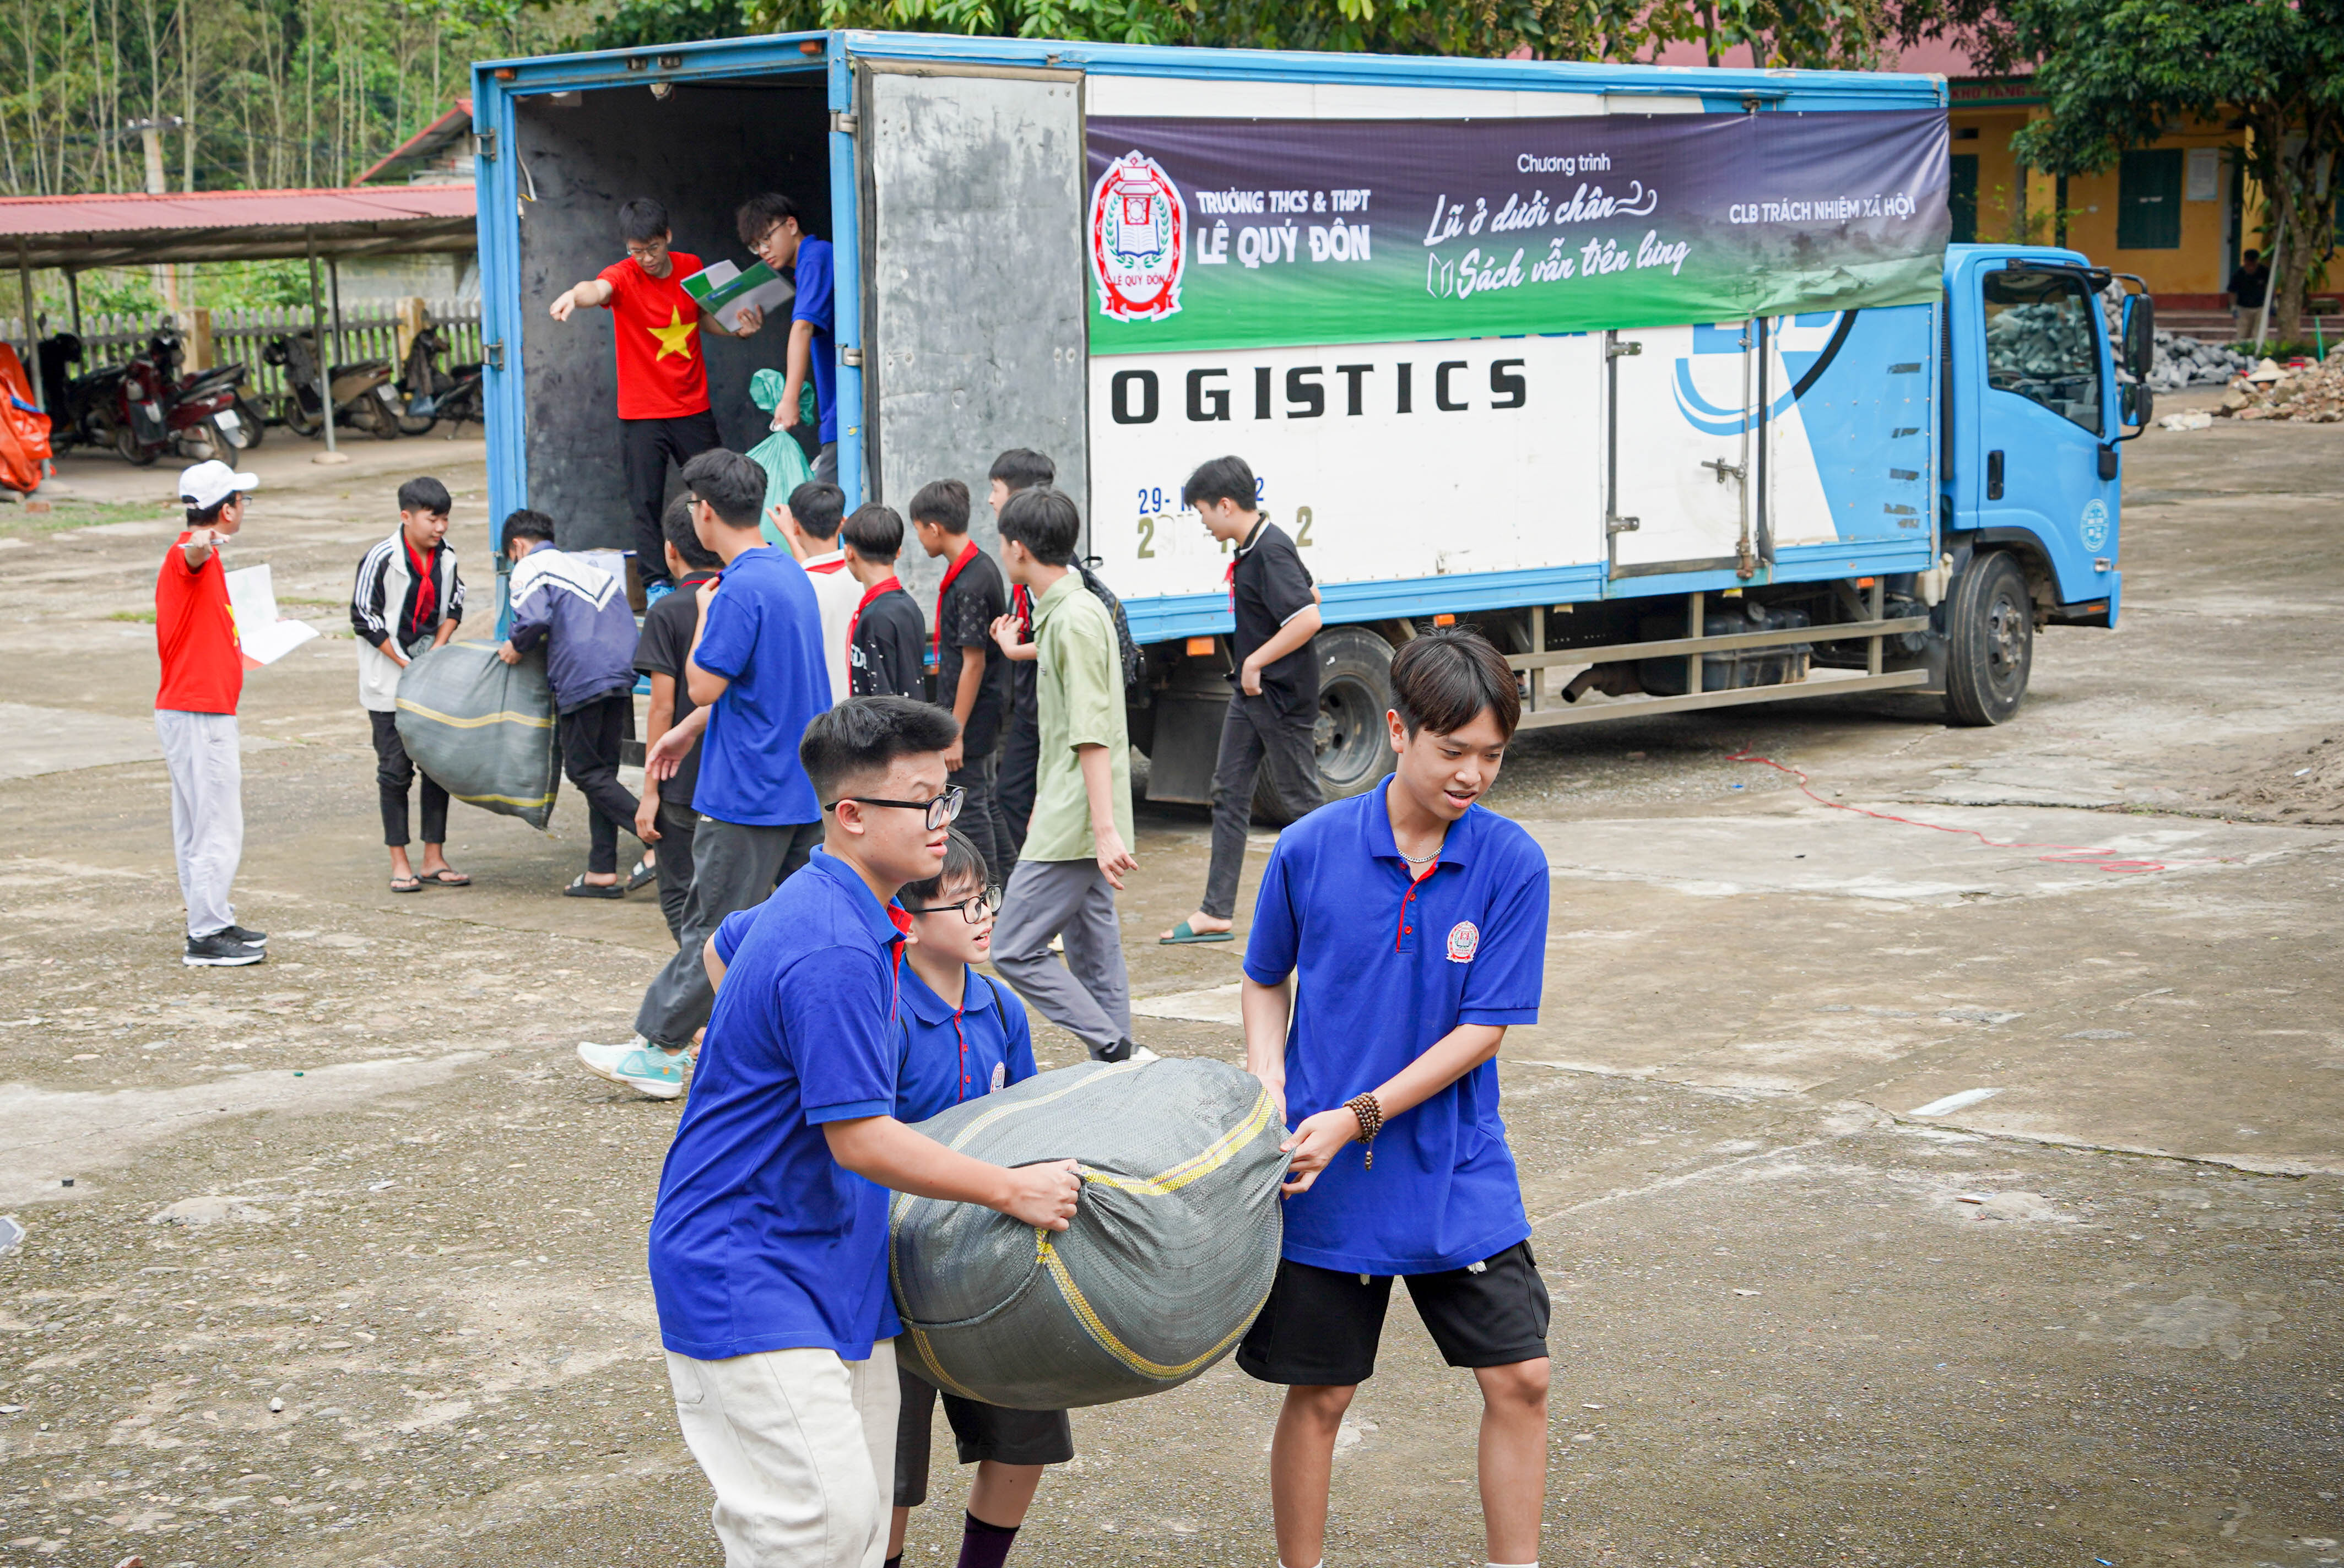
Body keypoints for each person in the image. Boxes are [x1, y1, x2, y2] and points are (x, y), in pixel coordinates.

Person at [647, 696, 1082, 1568]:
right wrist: (1011, 1186)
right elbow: (860, 1138)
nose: (943, 822)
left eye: (946, 796)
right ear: (850, 816)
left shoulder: (845, 907)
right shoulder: (833, 943)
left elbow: (727, 954)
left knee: (852, 1523)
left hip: (835, 1261)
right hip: (749, 1264)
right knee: (818, 1524)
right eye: (924, 802)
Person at [1235, 628, 1552, 1568]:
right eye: (1453, 750)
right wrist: (1269, 1080)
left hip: (1453, 1164)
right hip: (1323, 1174)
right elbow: (1264, 976)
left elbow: (1480, 1031)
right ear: (1397, 730)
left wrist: (1359, 1114)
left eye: (1492, 755)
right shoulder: (1310, 848)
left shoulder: (1510, 863)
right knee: (1323, 1393)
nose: (1473, 775)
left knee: (1522, 1376)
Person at [577, 447, 831, 1099]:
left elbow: (704, 682)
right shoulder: (788, 573)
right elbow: (770, 684)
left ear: (705, 511)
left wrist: (705, 620)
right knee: (792, 929)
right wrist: (691, 730)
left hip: (747, 793)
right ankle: (795, 1049)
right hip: (798, 784)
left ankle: (659, 1048)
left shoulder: (736, 589)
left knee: (714, 929)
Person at [986, 487, 1143, 1065]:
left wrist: (1101, 829)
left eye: (1002, 541)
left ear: (1019, 548)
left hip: (1075, 816)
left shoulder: (1072, 619)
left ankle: (1111, 1044)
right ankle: (1120, 1070)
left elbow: (1091, 730)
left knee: (1012, 946)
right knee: (1093, 948)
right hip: (1072, 806)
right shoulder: (1068, 612)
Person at [545, 196, 749, 599]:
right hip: (642, 413)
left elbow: (703, 318)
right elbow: (596, 288)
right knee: (645, 500)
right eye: (636, 251)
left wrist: (737, 329)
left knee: (713, 493)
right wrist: (574, 294)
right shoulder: (622, 275)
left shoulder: (691, 267)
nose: (645, 259)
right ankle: (656, 583)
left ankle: (724, 571)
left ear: (667, 237)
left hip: (693, 406)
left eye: (652, 249)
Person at [1162, 455, 1323, 945]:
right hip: (1250, 694)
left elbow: (1308, 617)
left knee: (1302, 805)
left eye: (1204, 513)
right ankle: (1216, 910)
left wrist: (1255, 662)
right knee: (1228, 792)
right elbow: (1311, 591)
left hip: (1277, 694)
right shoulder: (1257, 547)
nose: (1204, 523)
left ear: (1226, 505)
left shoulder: (1269, 550)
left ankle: (1343, 900)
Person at [498, 509, 643, 898]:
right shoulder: (591, 570)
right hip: (619, 674)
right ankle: (601, 869)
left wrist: (515, 645)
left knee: (583, 771)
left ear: (517, 546)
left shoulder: (530, 568)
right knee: (603, 774)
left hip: (581, 676)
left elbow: (533, 619)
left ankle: (658, 838)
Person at [156, 460, 267, 967]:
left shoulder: (207, 561)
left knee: (201, 823)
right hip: (198, 712)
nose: (245, 507)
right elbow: (192, 554)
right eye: (241, 500)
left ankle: (213, 917)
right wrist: (202, 542)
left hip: (197, 708)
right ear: (226, 509)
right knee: (217, 823)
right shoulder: (191, 554)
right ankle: (205, 933)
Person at [351, 475, 469, 894]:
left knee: (436, 767)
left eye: (445, 519)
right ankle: (399, 860)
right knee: (394, 771)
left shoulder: (447, 557)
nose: (440, 528)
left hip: (430, 677)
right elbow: (364, 616)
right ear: (406, 517)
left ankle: (433, 857)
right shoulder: (382, 558)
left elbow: (455, 603)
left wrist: (436, 650)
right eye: (432, 519)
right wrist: (403, 661)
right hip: (388, 680)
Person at [632, 495, 724, 939]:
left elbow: (662, 707)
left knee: (679, 894)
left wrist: (649, 790)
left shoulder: (666, 612)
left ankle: (699, 981)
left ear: (671, 550)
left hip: (682, 780)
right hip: (734, 778)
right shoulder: (739, 598)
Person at [911, 478, 1012, 881]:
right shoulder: (978, 565)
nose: (918, 538)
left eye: (918, 529)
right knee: (986, 801)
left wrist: (955, 731)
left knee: (970, 810)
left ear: (934, 528)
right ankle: (1013, 885)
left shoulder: (969, 583)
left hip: (973, 718)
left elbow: (973, 663)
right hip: (981, 712)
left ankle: (989, 895)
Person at [736, 191, 840, 485]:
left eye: (766, 239)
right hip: (838, 412)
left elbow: (803, 327)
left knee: (821, 516)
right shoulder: (811, 262)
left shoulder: (815, 256)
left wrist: (789, 399)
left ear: (791, 225)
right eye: (756, 246)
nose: (763, 250)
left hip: (844, 415)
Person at [984, 449, 1054, 861]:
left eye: (996, 490)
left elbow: (1062, 635)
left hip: (1044, 708)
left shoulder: (1045, 557)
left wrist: (1014, 648)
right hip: (1031, 707)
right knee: (1012, 797)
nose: (991, 500)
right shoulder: (1020, 554)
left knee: (1014, 798)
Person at [772, 479, 857, 703]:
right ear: (842, 524)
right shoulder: (864, 577)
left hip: (818, 714)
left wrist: (790, 535)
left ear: (797, 526)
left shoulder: (792, 588)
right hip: (865, 711)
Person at [841, 503, 926, 700]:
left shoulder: (875, 617)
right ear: (898, 552)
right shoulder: (908, 606)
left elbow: (882, 705)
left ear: (849, 552)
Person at [2229, 247, 2270, 342]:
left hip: (2260, 308)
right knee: (2242, 335)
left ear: (2257, 261)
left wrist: (2274, 303)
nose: (2251, 266)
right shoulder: (2238, 274)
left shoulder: (2264, 272)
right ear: (2245, 261)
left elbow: (2271, 288)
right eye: (2249, 263)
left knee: (2260, 334)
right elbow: (2232, 292)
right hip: (2243, 308)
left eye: (2253, 264)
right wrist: (2234, 307)